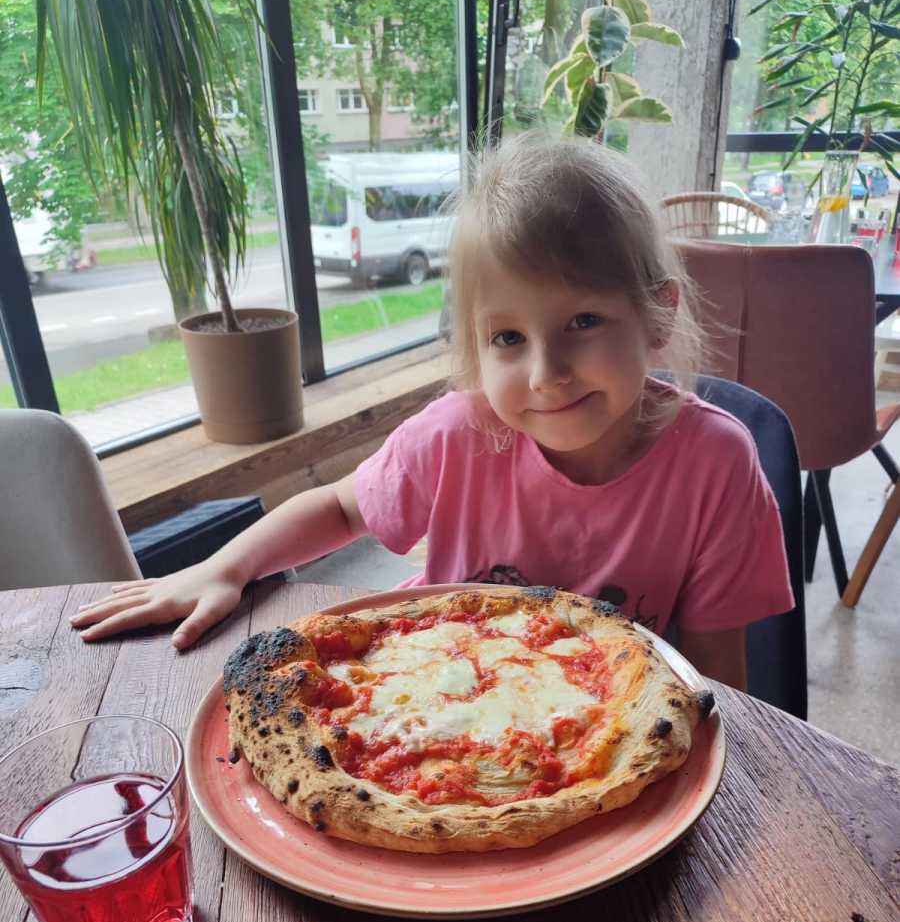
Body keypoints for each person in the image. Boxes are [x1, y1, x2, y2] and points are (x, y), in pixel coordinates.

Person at [71, 131, 793, 689]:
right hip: (426, 702)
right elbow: (340, 509)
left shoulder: (717, 464)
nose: (545, 375)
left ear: (657, 314)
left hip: (603, 723)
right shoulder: (457, 433)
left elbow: (715, 674)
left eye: (583, 321)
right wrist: (226, 568)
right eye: (508, 338)